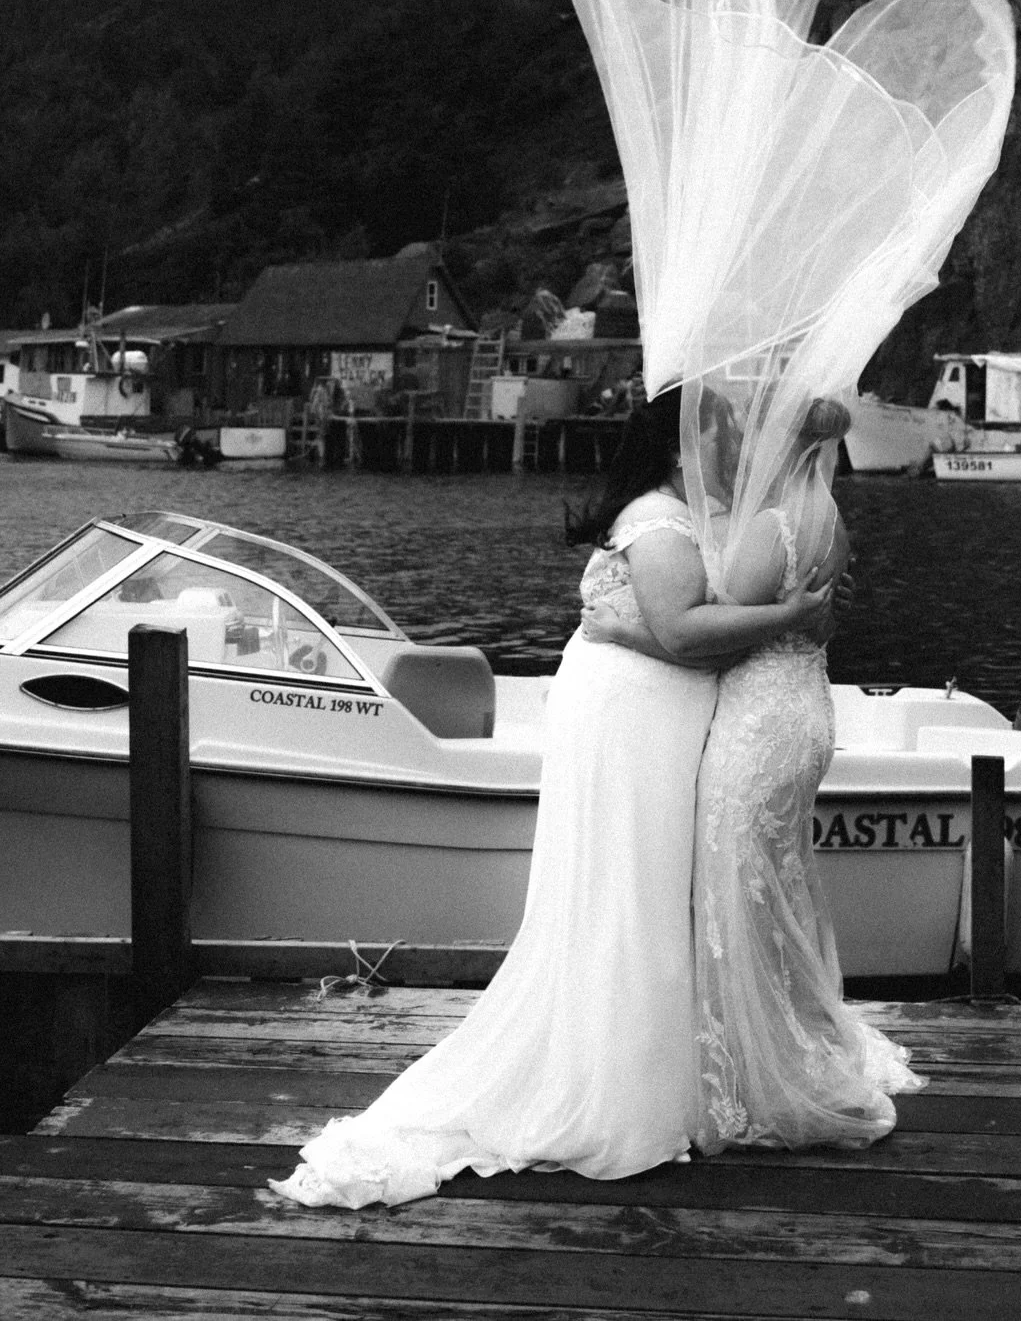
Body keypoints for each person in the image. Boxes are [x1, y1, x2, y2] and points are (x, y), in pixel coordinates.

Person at [270, 387, 832, 1208]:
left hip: (643, 719)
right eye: (723, 431)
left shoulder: (675, 518)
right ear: (681, 445)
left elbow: (657, 627)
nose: (736, 446)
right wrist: (789, 613)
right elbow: (684, 634)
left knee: (639, 889)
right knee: (627, 890)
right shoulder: (660, 521)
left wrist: (634, 626)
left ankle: (657, 1066)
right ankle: (618, 1084)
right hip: (631, 724)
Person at [586, 393, 923, 1152]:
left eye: (752, 431)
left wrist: (624, 631)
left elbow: (712, 639)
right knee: (773, 882)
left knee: (733, 890)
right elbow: (796, 618)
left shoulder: (772, 525)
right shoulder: (825, 513)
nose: (739, 442)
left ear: (780, 440)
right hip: (802, 709)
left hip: (760, 722)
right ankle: (774, 1041)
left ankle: (752, 1068)